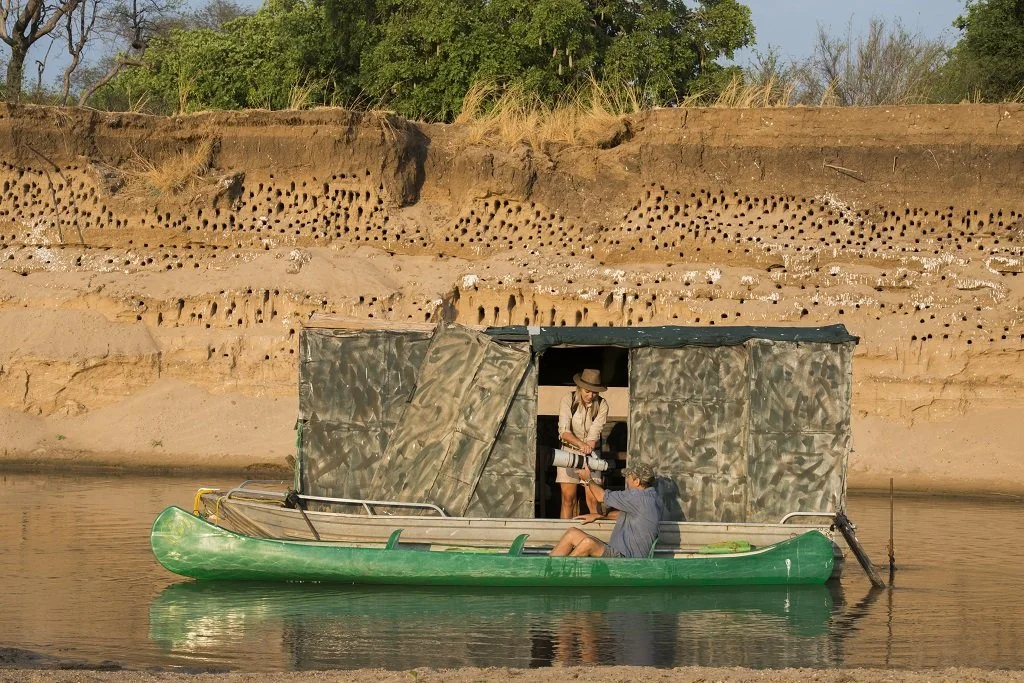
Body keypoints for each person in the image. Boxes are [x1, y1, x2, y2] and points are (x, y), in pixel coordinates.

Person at [550, 461, 662, 558]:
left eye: (629, 478)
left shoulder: (636, 497)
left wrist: (588, 479)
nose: (627, 482)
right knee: (572, 533)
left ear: (637, 481)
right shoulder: (652, 498)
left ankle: (560, 574)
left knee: (588, 543)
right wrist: (602, 516)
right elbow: (629, 515)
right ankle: (545, 570)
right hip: (620, 553)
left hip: (626, 559)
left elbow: (601, 497)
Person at [556, 368, 610, 519]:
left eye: (594, 392)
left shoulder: (602, 405)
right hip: (568, 452)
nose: (590, 395)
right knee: (568, 499)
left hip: (591, 453)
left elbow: (595, 432)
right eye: (587, 391)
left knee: (593, 498)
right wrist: (581, 445)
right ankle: (565, 534)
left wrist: (588, 447)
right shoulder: (569, 399)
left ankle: (595, 536)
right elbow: (564, 431)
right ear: (580, 388)